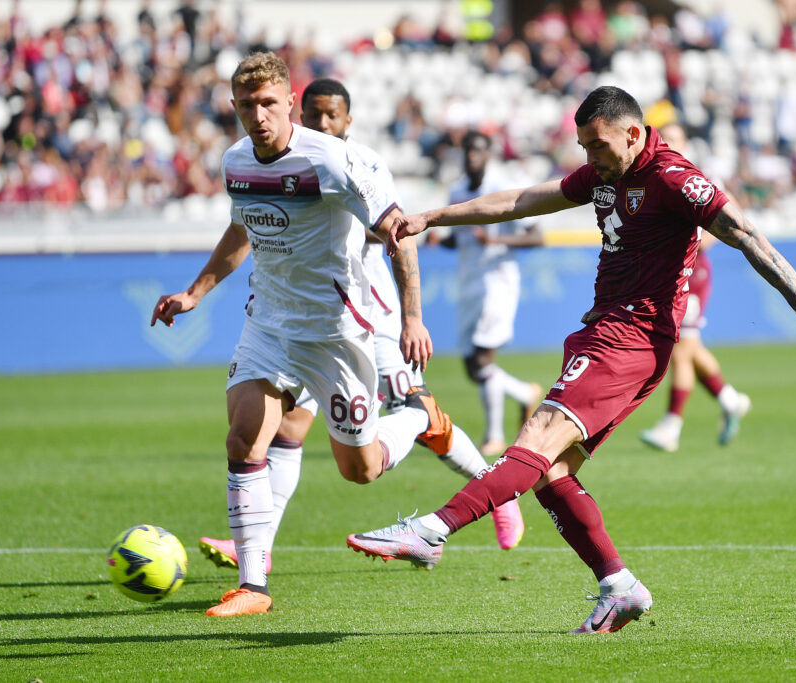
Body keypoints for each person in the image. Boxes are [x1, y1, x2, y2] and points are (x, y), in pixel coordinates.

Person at [345, 86, 796, 634]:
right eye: (583, 145)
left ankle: (432, 531)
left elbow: (748, 237)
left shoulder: (675, 177)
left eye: (598, 144)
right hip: (611, 334)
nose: (589, 158)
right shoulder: (605, 174)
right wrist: (434, 217)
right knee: (552, 472)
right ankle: (619, 586)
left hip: (629, 338)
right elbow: (521, 201)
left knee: (537, 435)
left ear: (633, 133)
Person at [151, 52, 441, 617]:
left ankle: (417, 416)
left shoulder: (333, 162)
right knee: (243, 439)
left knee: (360, 470)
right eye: (245, 106)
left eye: (267, 104)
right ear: (233, 108)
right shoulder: (236, 161)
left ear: (290, 104)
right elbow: (242, 226)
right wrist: (195, 292)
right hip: (269, 323)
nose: (257, 116)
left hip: (334, 334)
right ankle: (253, 586)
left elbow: (399, 234)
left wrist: (411, 317)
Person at [196, 78, 525, 574]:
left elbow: (393, 230)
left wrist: (412, 317)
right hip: (302, 322)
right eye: (315, 114)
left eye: (333, 115)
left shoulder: (358, 165)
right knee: (287, 428)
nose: (323, 123)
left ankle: (497, 491)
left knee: (404, 423)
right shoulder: (280, 160)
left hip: (373, 317)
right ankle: (254, 547)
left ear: (349, 120)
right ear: (299, 113)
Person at [639, 122, 751, 452]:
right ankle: (730, 399)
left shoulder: (693, 177)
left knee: (681, 348)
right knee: (687, 346)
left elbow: (733, 210)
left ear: (685, 143)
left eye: (675, 139)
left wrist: (706, 238)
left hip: (692, 274)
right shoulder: (656, 176)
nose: (668, 144)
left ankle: (671, 424)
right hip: (669, 274)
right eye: (665, 139)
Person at [434, 130, 545, 456]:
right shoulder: (457, 191)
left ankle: (494, 435)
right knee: (472, 366)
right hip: (468, 281)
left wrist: (497, 241)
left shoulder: (502, 188)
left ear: (488, 154)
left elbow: (537, 237)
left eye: (479, 151)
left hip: (498, 281)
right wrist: (439, 240)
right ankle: (524, 393)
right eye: (468, 151)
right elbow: (460, 238)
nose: (472, 157)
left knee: (484, 356)